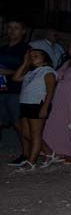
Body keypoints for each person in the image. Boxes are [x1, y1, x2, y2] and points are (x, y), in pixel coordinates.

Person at [9, 47, 56, 170]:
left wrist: (44, 108)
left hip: (37, 104)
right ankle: (50, 153)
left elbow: (51, 92)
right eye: (31, 56)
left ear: (44, 59)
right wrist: (25, 63)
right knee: (26, 133)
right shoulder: (30, 72)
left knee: (35, 134)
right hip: (25, 104)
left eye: (36, 56)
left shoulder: (48, 71)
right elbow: (15, 78)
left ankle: (31, 162)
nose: (32, 57)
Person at [0, 19, 30, 148]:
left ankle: (30, 153)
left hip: (15, 91)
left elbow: (30, 72)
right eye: (10, 27)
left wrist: (9, 72)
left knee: (19, 124)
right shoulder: (2, 48)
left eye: (16, 28)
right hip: (1, 90)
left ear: (23, 31)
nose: (12, 31)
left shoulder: (27, 50)